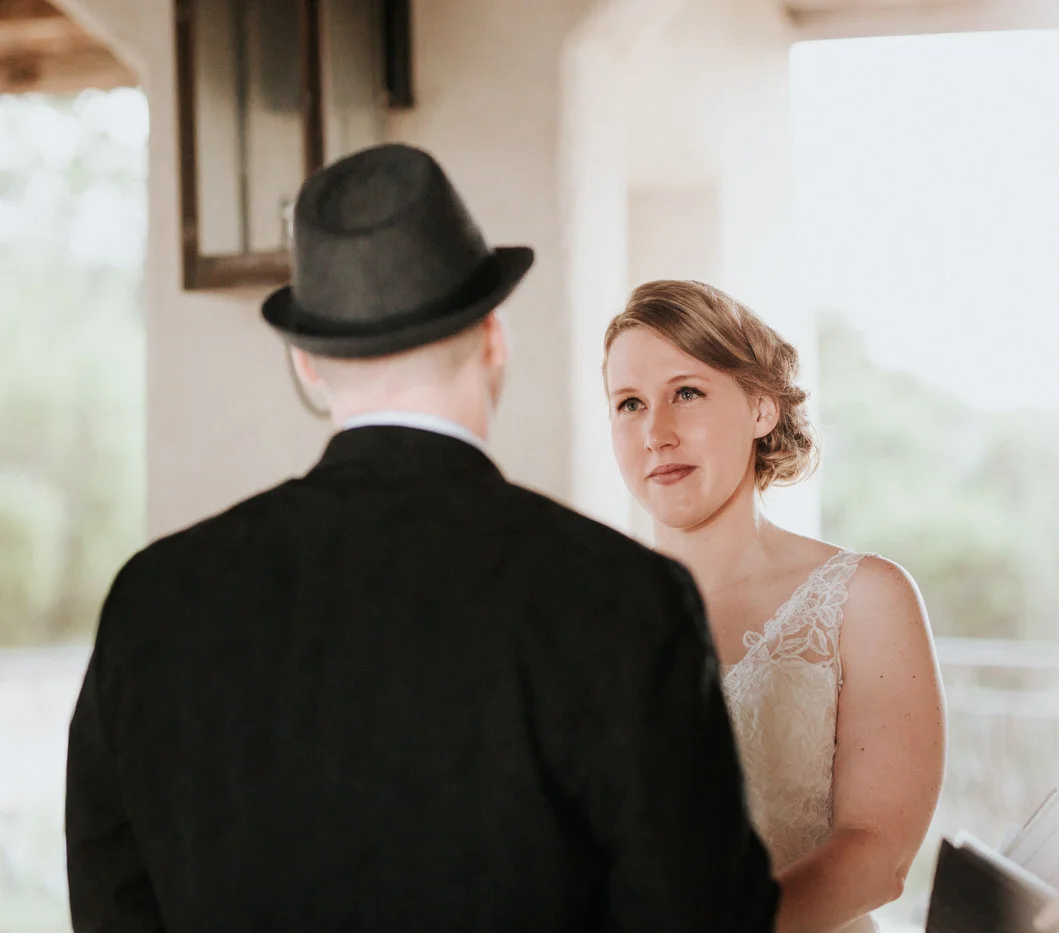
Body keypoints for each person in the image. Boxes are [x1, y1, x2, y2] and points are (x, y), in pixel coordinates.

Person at [65, 145, 779, 933]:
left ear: (307, 360)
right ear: (494, 336)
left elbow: (111, 902)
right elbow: (703, 914)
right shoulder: (621, 595)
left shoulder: (155, 597)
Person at [603, 279, 948, 932]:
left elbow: (880, 849)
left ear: (761, 408)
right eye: (629, 403)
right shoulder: (580, 610)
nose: (656, 432)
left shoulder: (866, 598)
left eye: (686, 392)